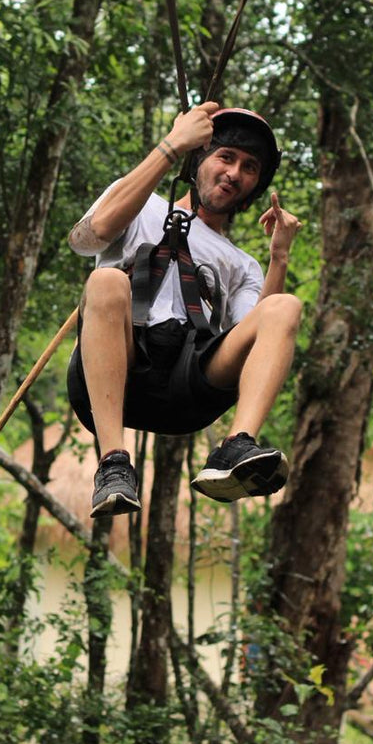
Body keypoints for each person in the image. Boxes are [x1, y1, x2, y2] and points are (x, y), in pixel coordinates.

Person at [66, 101, 303, 517]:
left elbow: (253, 343)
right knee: (106, 281)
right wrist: (171, 146)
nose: (234, 173)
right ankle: (113, 464)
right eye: (226, 157)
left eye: (249, 168)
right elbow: (89, 238)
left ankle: (235, 447)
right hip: (117, 368)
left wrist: (278, 259)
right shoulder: (139, 198)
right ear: (200, 158)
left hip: (187, 384)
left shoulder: (240, 263)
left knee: (284, 307)